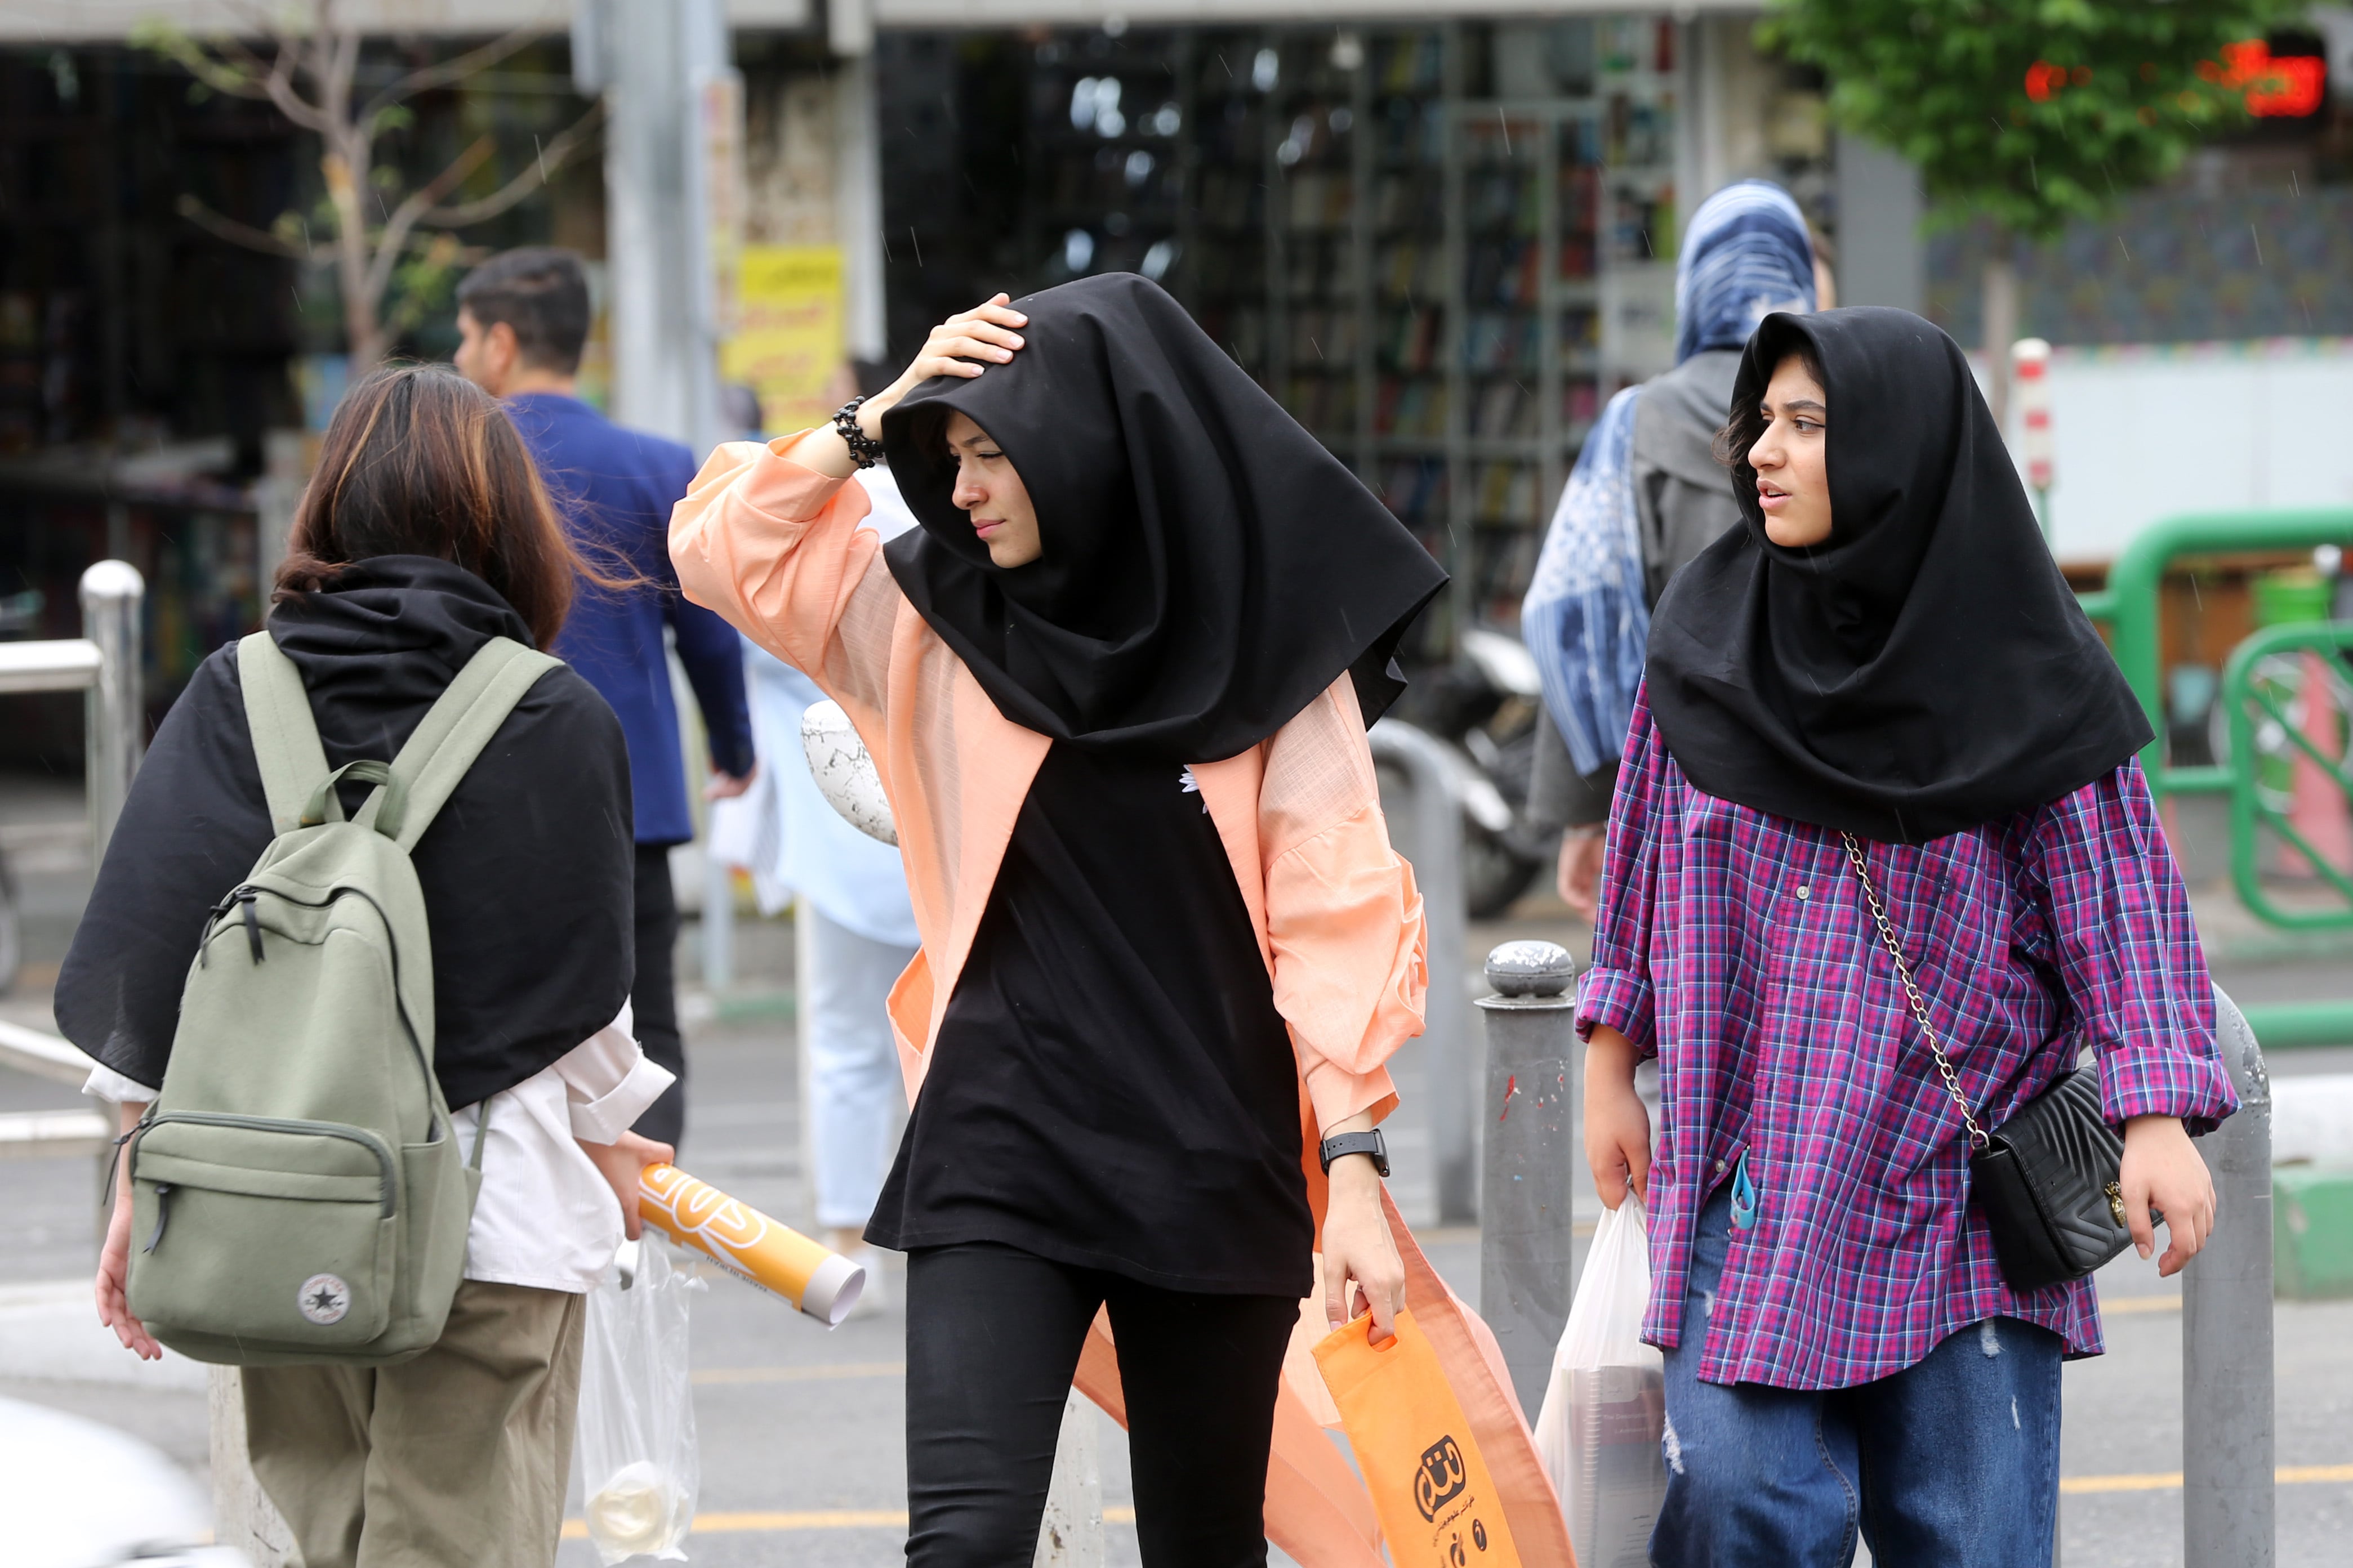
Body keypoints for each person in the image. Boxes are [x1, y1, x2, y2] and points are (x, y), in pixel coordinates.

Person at [671, 275, 1450, 1566]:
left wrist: (1357, 1163)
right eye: (953, 455)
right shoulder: (927, 617)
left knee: (1205, 1545)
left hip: (1215, 1146)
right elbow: (719, 550)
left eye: (993, 454)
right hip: (1001, 1141)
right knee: (965, 1543)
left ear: (1090, 449)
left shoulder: (1262, 654)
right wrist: (877, 419)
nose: (963, 489)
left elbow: (1335, 907)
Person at [1578, 307, 2238, 1565]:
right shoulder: (1706, 643)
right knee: (1739, 1502)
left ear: (1899, 453)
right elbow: (1644, 857)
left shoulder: (2024, 667)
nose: (1763, 450)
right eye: (1762, 421)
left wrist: (2155, 1116)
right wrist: (1611, 1059)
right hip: (1747, 1173)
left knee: (1971, 1541)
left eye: (1807, 425)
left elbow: (2120, 900)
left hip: (1953, 1200)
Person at [66, 364, 675, 1568]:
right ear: (508, 515)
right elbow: (584, 1004)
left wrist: (144, 1177)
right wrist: (616, 1152)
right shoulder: (550, 713)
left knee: (332, 1536)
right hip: (490, 1215)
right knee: (458, 1539)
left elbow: (154, 954)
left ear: (329, 507)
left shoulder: (239, 690)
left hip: (272, 1200)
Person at [454, 246, 755, 1150]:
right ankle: (649, 1216)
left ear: (502, 343)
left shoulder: (461, 463)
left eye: (466, 338)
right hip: (634, 798)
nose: (462, 358)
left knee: (503, 1006)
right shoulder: (658, 466)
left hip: (488, 790)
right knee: (644, 1019)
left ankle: (520, 1205)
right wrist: (733, 751)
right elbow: (710, 632)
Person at [1520, 181, 1817, 918]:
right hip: (1828, 798)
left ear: (1696, 286)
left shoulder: (1636, 423)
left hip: (1680, 805)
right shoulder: (1843, 409)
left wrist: (1588, 814)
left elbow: (1580, 612)